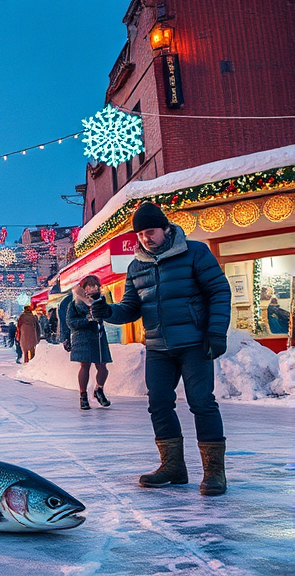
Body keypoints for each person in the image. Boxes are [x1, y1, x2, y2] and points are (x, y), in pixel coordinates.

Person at [90, 202, 231, 496]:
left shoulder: (195, 253)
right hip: (157, 347)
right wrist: (106, 311)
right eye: (140, 234)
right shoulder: (136, 266)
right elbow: (131, 308)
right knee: (159, 405)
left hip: (194, 343)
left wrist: (216, 332)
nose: (145, 238)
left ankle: (215, 473)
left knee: (202, 403)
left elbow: (219, 291)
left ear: (166, 229)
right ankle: (173, 467)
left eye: (150, 231)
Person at [68, 276, 113, 411]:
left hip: (99, 337)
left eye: (95, 286)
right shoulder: (75, 304)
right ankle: (83, 395)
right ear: (83, 287)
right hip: (83, 338)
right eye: (89, 285)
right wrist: (87, 319)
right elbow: (71, 322)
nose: (92, 288)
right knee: (85, 366)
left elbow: (110, 313)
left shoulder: (101, 301)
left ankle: (99, 389)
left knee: (102, 366)